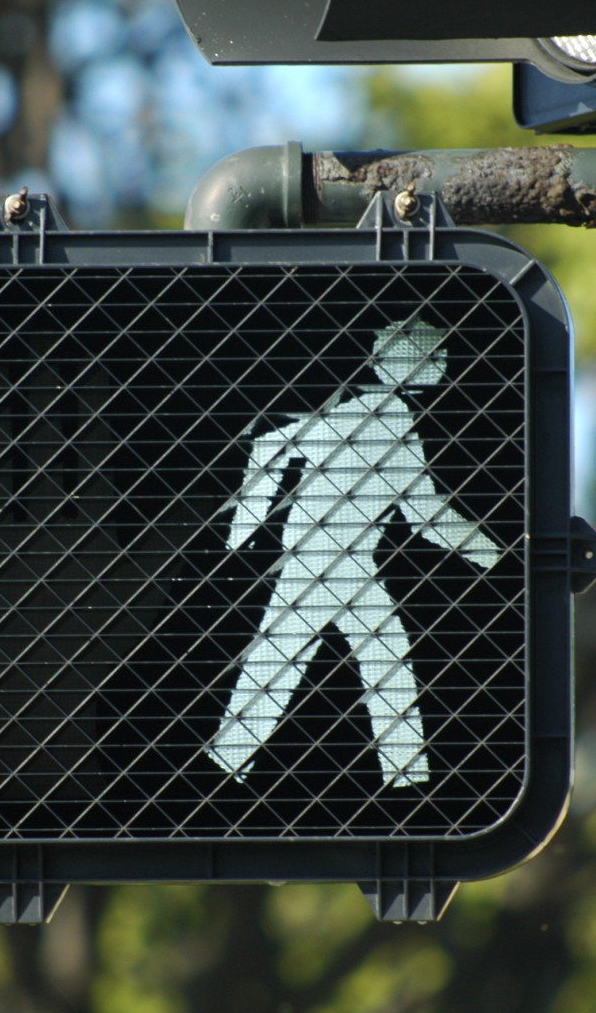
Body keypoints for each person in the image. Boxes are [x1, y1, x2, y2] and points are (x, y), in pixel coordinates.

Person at [208, 318, 501, 788]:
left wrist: (489, 554)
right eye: (432, 357)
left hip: (339, 560)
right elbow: (424, 514)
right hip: (326, 559)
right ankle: (404, 775)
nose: (440, 366)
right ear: (392, 362)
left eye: (440, 357)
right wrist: (241, 526)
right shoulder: (377, 416)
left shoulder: (381, 415)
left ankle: (229, 762)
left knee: (299, 661)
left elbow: (420, 510)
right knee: (353, 660)